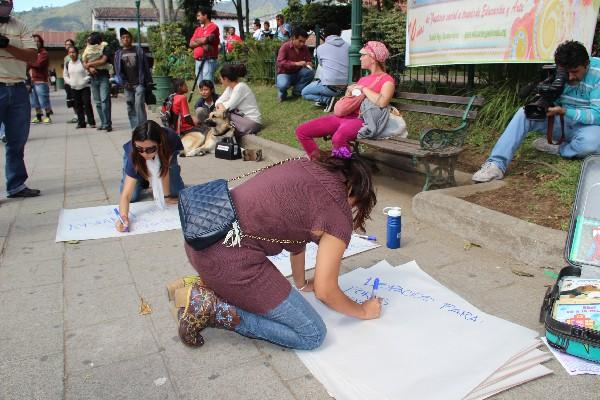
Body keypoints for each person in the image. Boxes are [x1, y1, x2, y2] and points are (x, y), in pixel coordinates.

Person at [178, 152, 381, 349]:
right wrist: (363, 310)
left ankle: (207, 287)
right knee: (312, 334)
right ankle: (217, 310)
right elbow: (326, 292)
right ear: (355, 191)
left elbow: (296, 237)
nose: (351, 209)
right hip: (227, 262)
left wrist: (300, 284)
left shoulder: (302, 165)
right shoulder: (338, 213)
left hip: (199, 241)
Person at [472, 40, 600, 182]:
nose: (570, 77)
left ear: (586, 64)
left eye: (575, 72)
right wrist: (547, 95)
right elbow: (548, 99)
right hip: (561, 119)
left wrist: (564, 111)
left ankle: (558, 148)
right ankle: (496, 164)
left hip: (589, 126)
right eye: (566, 72)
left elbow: (598, 115)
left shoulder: (598, 72)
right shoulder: (556, 71)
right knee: (524, 113)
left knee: (592, 144)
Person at [296, 41, 395, 158]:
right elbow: (353, 100)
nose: (360, 58)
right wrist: (349, 93)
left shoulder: (387, 80)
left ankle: (346, 168)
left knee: (338, 138)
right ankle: (320, 161)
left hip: (361, 120)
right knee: (302, 131)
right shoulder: (363, 79)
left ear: (373, 58)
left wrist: (363, 89)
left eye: (363, 55)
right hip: (343, 116)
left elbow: (383, 102)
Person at [0, 0, 41, 198]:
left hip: (17, 88)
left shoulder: (20, 26)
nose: (6, 6)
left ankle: (16, 185)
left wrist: (6, 44)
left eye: (9, 3)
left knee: (17, 140)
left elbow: (32, 57)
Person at [116, 120, 185, 230]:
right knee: (133, 196)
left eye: (150, 149)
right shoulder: (133, 152)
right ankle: (140, 176)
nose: (144, 153)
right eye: (140, 148)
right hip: (136, 161)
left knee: (176, 191)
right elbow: (126, 195)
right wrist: (123, 217)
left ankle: (146, 176)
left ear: (159, 144)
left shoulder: (170, 139)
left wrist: (166, 197)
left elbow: (164, 169)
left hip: (164, 158)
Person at [301, 23, 349, 108]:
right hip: (346, 87)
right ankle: (331, 99)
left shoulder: (320, 48)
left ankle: (328, 100)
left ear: (325, 35)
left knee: (304, 92)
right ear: (340, 34)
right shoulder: (348, 47)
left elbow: (321, 65)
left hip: (329, 87)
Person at [114, 28, 152, 129]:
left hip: (139, 82)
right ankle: (135, 128)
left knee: (139, 104)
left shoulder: (138, 50)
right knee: (130, 105)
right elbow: (118, 71)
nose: (126, 39)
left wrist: (148, 81)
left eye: (128, 37)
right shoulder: (118, 54)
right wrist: (124, 83)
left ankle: (143, 127)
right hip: (127, 85)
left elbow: (145, 66)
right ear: (121, 40)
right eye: (123, 38)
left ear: (131, 39)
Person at [216, 64, 262, 135]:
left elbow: (227, 108)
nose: (220, 80)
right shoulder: (230, 88)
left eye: (221, 78)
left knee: (224, 115)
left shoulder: (240, 87)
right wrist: (220, 105)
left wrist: (221, 106)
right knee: (220, 115)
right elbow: (217, 102)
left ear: (226, 79)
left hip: (252, 122)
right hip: (241, 119)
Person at [82, 32, 113, 132]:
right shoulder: (88, 49)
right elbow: (84, 61)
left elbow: (103, 61)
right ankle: (103, 123)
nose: (88, 41)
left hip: (103, 76)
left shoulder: (105, 47)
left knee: (104, 101)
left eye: (90, 39)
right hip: (93, 77)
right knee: (98, 102)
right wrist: (89, 68)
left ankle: (108, 124)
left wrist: (89, 64)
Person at [276, 28, 314, 102]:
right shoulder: (285, 47)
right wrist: (296, 63)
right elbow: (280, 62)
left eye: (304, 41)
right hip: (284, 73)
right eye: (300, 41)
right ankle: (282, 92)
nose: (302, 44)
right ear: (294, 38)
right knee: (283, 85)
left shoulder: (305, 48)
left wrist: (309, 63)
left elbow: (308, 60)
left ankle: (296, 91)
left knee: (310, 73)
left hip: (298, 73)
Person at [63, 46, 96, 129]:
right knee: (78, 105)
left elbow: (89, 73)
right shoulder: (68, 64)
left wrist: (84, 80)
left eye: (73, 52)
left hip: (85, 87)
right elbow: (65, 75)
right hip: (74, 87)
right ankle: (81, 123)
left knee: (87, 104)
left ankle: (91, 122)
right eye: (70, 52)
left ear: (78, 53)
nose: (72, 54)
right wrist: (70, 82)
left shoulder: (82, 62)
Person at [189, 7, 220, 84]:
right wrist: (203, 42)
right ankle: (203, 96)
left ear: (205, 16)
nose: (197, 18)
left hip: (208, 60)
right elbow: (191, 44)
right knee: (200, 84)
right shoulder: (198, 29)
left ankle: (212, 96)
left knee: (207, 84)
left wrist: (198, 40)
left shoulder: (213, 27)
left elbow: (204, 40)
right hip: (198, 60)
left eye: (199, 16)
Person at [28, 34, 53, 124]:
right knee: (34, 101)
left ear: (41, 42)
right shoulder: (31, 52)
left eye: (38, 41)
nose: (36, 43)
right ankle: (38, 117)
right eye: (34, 41)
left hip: (41, 81)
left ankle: (48, 116)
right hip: (32, 80)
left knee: (44, 100)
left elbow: (38, 64)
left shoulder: (44, 53)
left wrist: (29, 62)